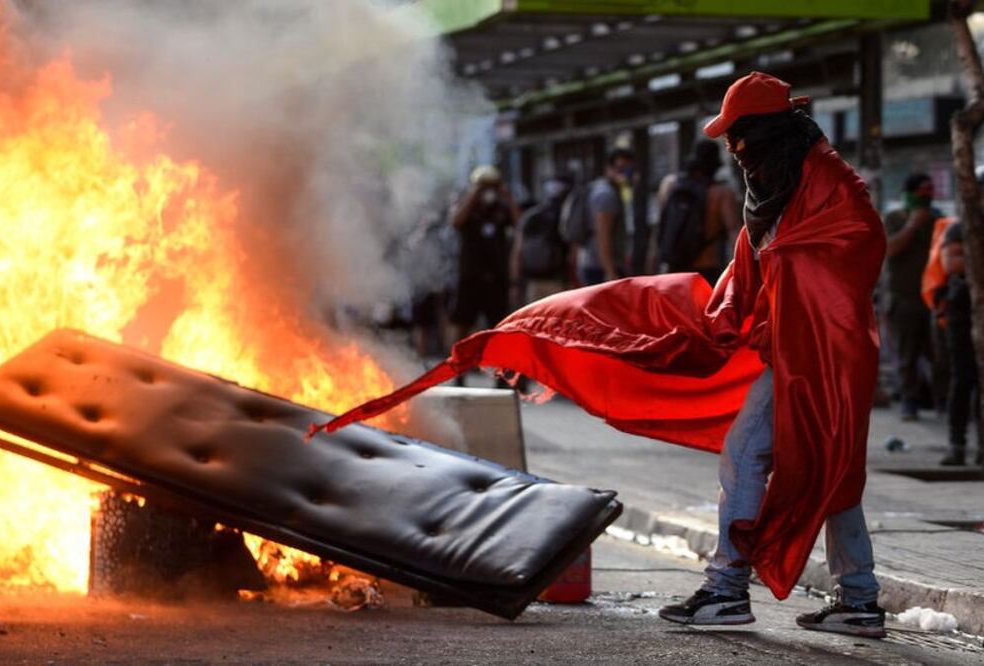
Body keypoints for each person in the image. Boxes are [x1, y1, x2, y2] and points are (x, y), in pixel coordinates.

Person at [314, 72, 888, 638]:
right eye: (728, 138)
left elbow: (853, 248)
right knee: (827, 463)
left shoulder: (829, 182)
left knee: (820, 463)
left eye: (740, 134)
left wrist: (793, 286)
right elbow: (745, 281)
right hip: (789, 350)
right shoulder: (771, 189)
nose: (733, 149)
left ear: (769, 130)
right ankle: (853, 597)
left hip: (829, 351)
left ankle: (731, 589)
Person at [885, 174, 942, 421]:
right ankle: (910, 402)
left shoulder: (938, 220)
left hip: (934, 298)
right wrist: (913, 226)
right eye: (922, 192)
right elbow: (890, 249)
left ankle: (942, 401)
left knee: (939, 355)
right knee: (907, 357)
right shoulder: (895, 218)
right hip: (903, 298)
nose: (926, 196)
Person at [448, 165, 519, 349]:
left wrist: (508, 197)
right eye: (484, 186)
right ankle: (458, 369)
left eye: (491, 186)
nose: (488, 191)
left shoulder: (501, 208)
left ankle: (500, 371)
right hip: (470, 274)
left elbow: (520, 222)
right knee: (463, 321)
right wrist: (473, 196)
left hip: (496, 276)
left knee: (499, 324)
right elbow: (456, 221)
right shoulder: (468, 207)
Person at [656, 140, 741, 284]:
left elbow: (661, 228)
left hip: (673, 269)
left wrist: (654, 264)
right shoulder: (721, 193)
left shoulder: (670, 186)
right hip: (706, 269)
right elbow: (733, 232)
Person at [937, 221, 983, 466]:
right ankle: (957, 445)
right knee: (963, 380)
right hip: (961, 314)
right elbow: (951, 264)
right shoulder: (960, 229)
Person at [511, 175, 572, 306]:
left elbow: (518, 252)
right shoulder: (565, 216)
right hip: (559, 280)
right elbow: (573, 252)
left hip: (533, 280)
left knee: (535, 322)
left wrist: (515, 284)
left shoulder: (530, 216)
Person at [578, 148, 634, 285]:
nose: (624, 174)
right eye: (620, 168)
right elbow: (603, 235)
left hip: (593, 262)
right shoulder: (606, 194)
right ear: (608, 167)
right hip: (601, 267)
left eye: (628, 169)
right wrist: (610, 272)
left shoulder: (598, 188)